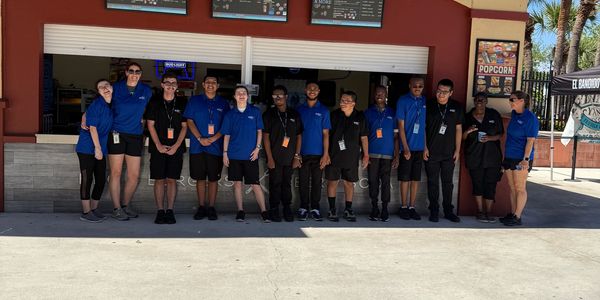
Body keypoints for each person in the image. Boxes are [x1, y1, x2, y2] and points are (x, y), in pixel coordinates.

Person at [107, 62, 152, 220]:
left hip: (135, 135)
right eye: (131, 71)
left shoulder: (146, 91)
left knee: (133, 175)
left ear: (141, 74)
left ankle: (125, 205)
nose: (134, 74)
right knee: (116, 172)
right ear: (126, 72)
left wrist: (145, 127)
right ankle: (116, 208)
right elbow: (104, 104)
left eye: (137, 71)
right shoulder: (115, 88)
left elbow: (147, 112)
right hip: (116, 133)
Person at [184, 75, 230, 221]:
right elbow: (189, 121)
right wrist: (200, 138)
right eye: (208, 82)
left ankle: (211, 207)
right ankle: (201, 207)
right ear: (203, 84)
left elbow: (226, 125)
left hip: (215, 147)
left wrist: (213, 139)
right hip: (198, 146)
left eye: (214, 82)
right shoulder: (194, 101)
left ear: (217, 86)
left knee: (213, 179)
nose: (211, 84)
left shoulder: (224, 103)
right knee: (200, 179)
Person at [221, 85, 270, 222]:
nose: (241, 95)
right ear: (235, 97)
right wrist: (225, 153)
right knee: (237, 184)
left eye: (244, 93)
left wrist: (257, 148)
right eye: (238, 93)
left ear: (247, 96)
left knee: (255, 184)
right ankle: (240, 211)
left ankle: (264, 211)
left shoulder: (254, 112)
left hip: (250, 155)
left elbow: (259, 132)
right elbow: (227, 136)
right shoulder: (230, 114)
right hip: (234, 155)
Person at [145, 73, 188, 224]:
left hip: (176, 148)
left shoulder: (182, 102)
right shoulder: (154, 102)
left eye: (174, 83)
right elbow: (150, 125)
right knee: (159, 179)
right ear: (162, 84)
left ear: (177, 86)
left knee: (171, 180)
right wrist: (158, 145)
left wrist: (176, 146)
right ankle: (159, 211)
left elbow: (184, 127)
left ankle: (169, 210)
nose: (171, 85)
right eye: (168, 82)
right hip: (158, 146)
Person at [325, 91, 369, 222]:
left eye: (346, 100)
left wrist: (366, 155)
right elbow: (326, 135)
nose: (343, 102)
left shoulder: (360, 117)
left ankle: (348, 209)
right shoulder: (334, 115)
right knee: (332, 182)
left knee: (349, 183)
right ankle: (332, 209)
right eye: (342, 100)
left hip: (351, 157)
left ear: (354, 103)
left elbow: (364, 137)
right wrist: (326, 153)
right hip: (333, 156)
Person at [424, 79, 464, 223]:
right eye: (439, 91)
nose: (441, 94)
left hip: (449, 153)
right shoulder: (428, 105)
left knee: (448, 183)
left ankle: (448, 211)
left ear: (451, 93)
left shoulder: (457, 107)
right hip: (431, 152)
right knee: (432, 182)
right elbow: (422, 127)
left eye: (444, 92)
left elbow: (459, 129)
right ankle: (433, 210)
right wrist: (425, 147)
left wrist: (458, 150)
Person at [263, 85, 303, 222]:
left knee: (287, 183)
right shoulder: (268, 114)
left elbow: (298, 136)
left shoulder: (294, 114)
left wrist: (297, 156)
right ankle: (274, 208)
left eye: (280, 95)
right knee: (274, 183)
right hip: (274, 157)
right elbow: (265, 137)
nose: (277, 98)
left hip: (290, 157)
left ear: (286, 97)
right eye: (275, 96)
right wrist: (269, 157)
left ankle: (287, 208)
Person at [75, 79, 113, 222]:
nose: (105, 88)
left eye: (107, 85)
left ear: (112, 87)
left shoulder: (111, 104)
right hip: (87, 148)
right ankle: (86, 212)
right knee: (87, 179)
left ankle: (94, 208)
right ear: (98, 92)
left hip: (100, 148)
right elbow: (93, 128)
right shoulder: (97, 105)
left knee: (101, 179)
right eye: (101, 87)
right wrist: (97, 148)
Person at [462, 92, 504, 223]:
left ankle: (489, 212)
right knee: (477, 184)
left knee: (490, 185)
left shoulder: (494, 115)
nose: (479, 102)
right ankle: (480, 211)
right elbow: (462, 137)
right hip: (474, 156)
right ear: (474, 102)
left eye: (482, 100)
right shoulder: (468, 117)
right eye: (477, 100)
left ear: (486, 102)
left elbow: (501, 134)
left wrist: (490, 138)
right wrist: (468, 131)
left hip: (492, 157)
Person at [500, 91, 539, 226]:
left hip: (521, 159)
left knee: (520, 187)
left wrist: (526, 159)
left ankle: (517, 216)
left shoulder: (531, 118)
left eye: (512, 99)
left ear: (522, 101)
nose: (510, 102)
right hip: (509, 156)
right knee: (512, 187)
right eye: (509, 99)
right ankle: (512, 213)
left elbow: (530, 140)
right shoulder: (515, 115)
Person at [296, 81, 331, 221]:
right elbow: (295, 134)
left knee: (317, 182)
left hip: (318, 153)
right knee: (303, 182)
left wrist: (326, 153)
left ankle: (315, 208)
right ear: (305, 90)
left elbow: (326, 134)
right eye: (309, 88)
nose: (312, 90)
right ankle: (303, 207)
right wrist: (296, 154)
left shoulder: (324, 110)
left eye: (315, 89)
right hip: (302, 153)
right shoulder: (299, 109)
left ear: (319, 91)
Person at [364, 85, 398, 222]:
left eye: (382, 93)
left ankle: (384, 208)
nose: (379, 95)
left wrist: (397, 155)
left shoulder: (393, 113)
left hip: (387, 155)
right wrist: (365, 154)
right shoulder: (367, 112)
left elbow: (396, 137)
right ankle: (374, 208)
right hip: (372, 154)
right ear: (374, 95)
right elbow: (363, 136)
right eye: (377, 93)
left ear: (386, 95)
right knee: (372, 182)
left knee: (385, 182)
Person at [396, 77, 427, 221]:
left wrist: (425, 147)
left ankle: (412, 206)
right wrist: (405, 147)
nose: (417, 88)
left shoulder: (424, 101)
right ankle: (403, 206)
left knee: (415, 179)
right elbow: (401, 126)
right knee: (405, 179)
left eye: (420, 86)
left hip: (420, 148)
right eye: (415, 86)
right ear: (409, 86)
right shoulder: (403, 101)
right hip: (407, 148)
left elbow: (424, 127)